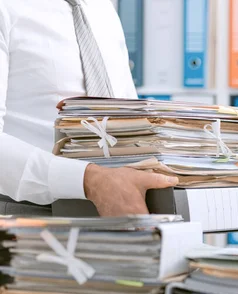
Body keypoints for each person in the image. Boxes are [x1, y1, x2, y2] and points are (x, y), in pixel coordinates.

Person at [0, 0, 177, 216]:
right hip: (28, 214)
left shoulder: (102, 9)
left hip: (122, 202)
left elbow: (131, 120)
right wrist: (91, 181)